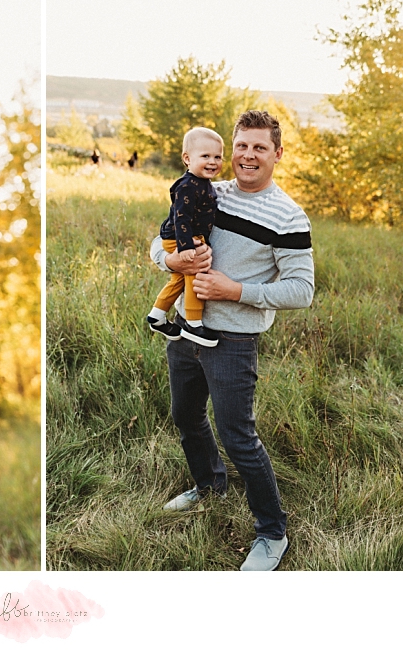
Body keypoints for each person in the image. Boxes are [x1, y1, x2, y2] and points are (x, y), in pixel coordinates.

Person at [150, 110, 314, 571]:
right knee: (184, 413)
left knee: (238, 436)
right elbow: (159, 240)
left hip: (233, 339)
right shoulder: (207, 190)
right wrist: (172, 264)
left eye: (259, 147)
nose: (247, 155)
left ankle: (271, 532)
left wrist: (235, 291)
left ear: (277, 155)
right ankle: (208, 485)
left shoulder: (288, 215)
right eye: (241, 145)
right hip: (186, 327)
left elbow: (301, 290)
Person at [146, 127, 224, 346]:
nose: (212, 162)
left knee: (178, 278)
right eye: (205, 156)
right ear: (187, 159)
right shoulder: (188, 186)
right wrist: (186, 246)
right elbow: (182, 217)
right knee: (194, 274)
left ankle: (157, 315)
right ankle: (193, 323)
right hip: (181, 238)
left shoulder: (203, 184)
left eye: (217, 157)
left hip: (188, 237)